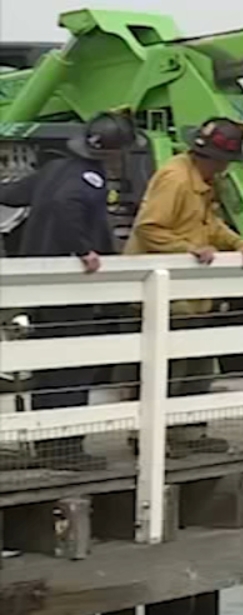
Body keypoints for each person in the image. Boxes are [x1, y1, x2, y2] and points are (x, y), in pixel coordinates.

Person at [0, 112, 137, 470]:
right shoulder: (89, 178)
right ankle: (65, 446)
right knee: (74, 365)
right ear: (114, 151)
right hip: (71, 288)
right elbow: (66, 205)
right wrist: (83, 248)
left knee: (49, 363)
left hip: (40, 285)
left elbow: (12, 195)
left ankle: (47, 440)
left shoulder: (53, 169)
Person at [125, 116, 243, 457]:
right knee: (165, 367)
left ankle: (186, 432)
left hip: (188, 292)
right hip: (164, 292)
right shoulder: (176, 179)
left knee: (196, 362)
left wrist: (237, 242)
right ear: (218, 158)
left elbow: (208, 223)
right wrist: (189, 249)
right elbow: (149, 228)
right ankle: (151, 437)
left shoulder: (199, 178)